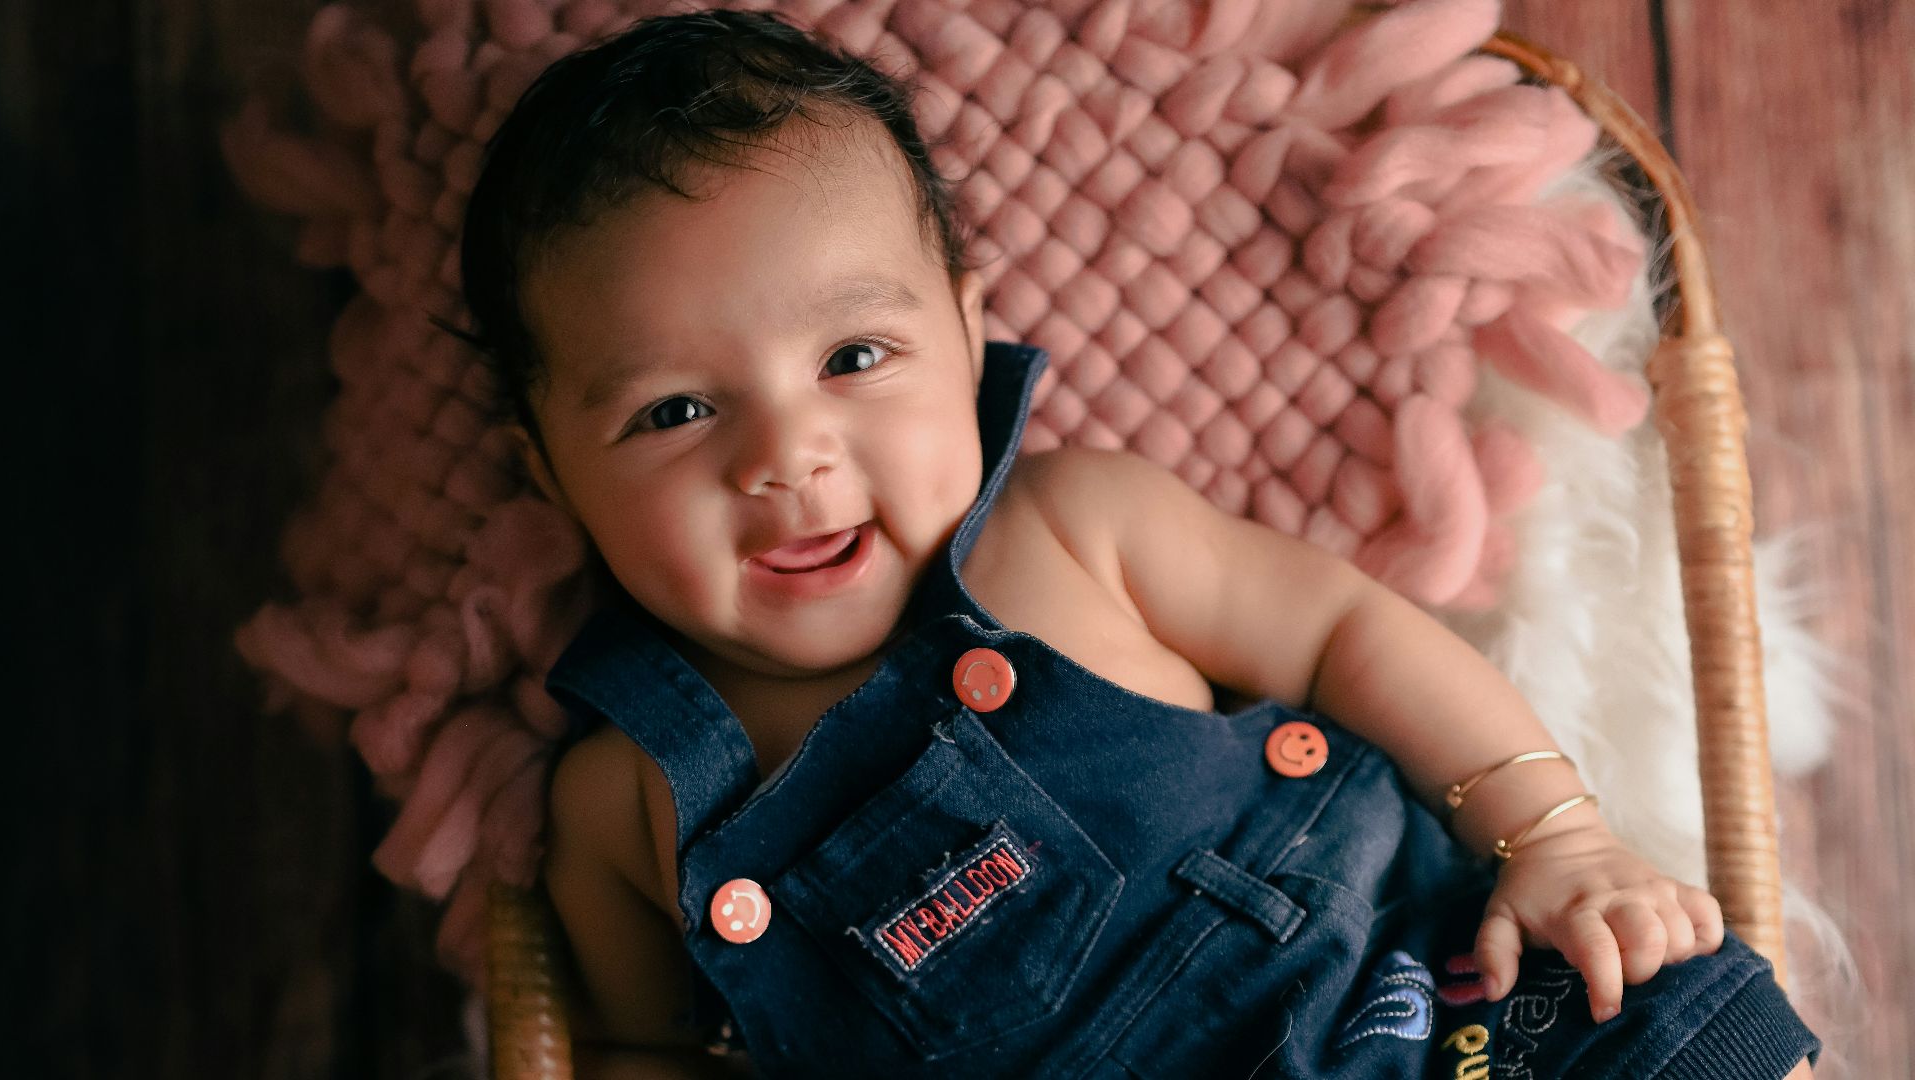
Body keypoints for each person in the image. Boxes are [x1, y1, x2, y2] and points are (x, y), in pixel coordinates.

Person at [450, 9, 1819, 1078]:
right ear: (547, 465)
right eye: (675, 410)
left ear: (968, 329)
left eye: (856, 354)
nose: (786, 458)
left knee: (1658, 1022)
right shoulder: (628, 805)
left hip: (1415, 1018)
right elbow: (641, 1048)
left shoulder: (1075, 528)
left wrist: (1556, 829)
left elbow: (1347, 633)